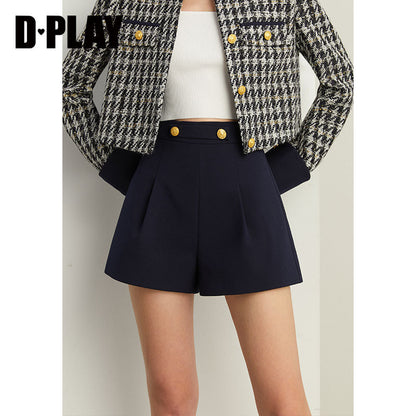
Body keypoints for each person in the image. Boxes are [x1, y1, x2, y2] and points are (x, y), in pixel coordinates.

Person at [62, 0, 354, 414]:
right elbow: (71, 85)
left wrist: (287, 170)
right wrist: (120, 169)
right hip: (159, 191)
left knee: (284, 403)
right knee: (171, 399)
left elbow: (339, 80)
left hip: (248, 187)